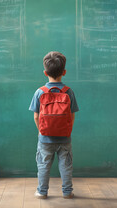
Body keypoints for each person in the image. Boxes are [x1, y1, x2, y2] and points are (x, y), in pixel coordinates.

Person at [29, 51, 79, 199]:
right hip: (65, 138)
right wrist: (67, 130)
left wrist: (41, 131)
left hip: (45, 138)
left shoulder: (40, 92)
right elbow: (72, 115)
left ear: (45, 73)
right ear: (64, 72)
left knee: (43, 165)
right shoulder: (68, 92)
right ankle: (67, 192)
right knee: (66, 165)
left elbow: (36, 116)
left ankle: (42, 192)